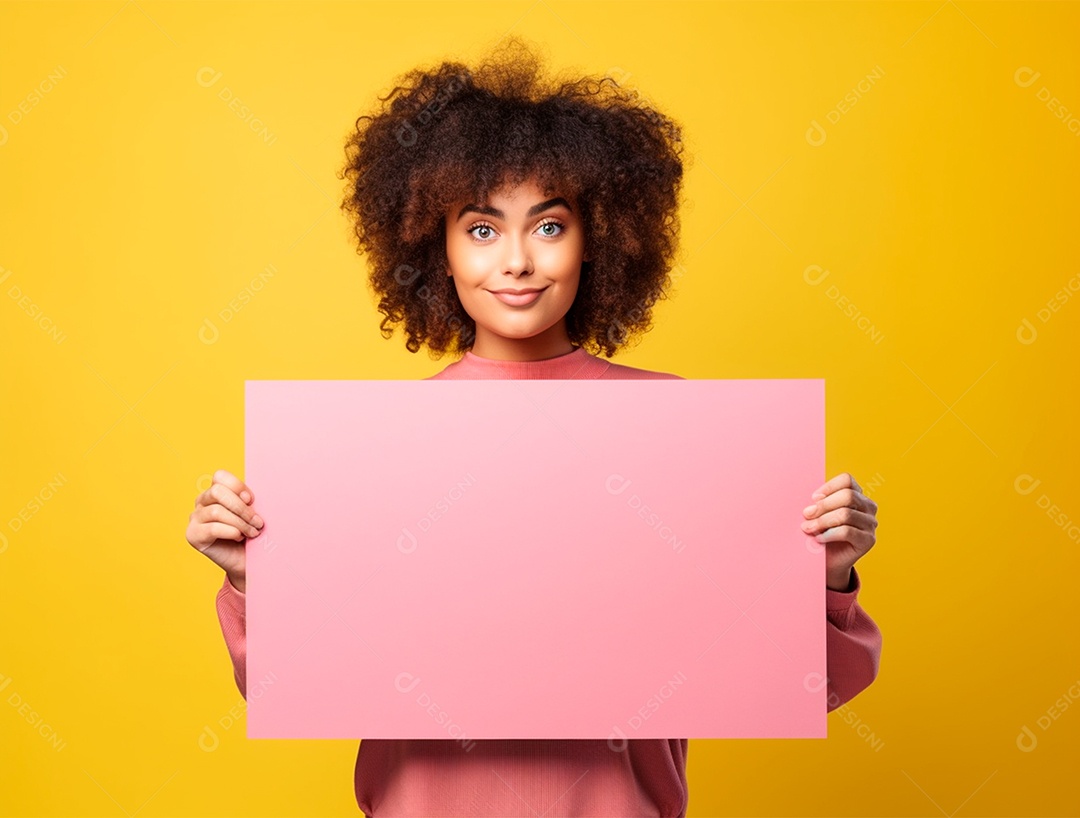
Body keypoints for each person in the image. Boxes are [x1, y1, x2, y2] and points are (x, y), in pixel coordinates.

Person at [185, 36, 882, 818]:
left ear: (597, 242)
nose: (516, 260)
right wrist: (250, 578)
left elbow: (810, 686)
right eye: (482, 230)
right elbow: (291, 682)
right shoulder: (377, 451)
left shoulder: (683, 431)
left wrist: (826, 576)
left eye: (549, 227)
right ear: (437, 248)